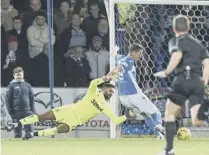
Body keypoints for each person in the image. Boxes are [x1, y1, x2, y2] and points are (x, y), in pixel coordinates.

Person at [153, 15, 209, 155]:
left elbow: (177, 55)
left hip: (181, 80)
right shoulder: (198, 43)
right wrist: (204, 82)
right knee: (197, 121)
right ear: (189, 27)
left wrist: (167, 72)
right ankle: (208, 102)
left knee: (169, 113)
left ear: (173, 28)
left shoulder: (174, 40)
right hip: (197, 81)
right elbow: (208, 63)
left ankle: (169, 149)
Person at [6, 76, 136, 140]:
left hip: (75, 121)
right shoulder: (94, 92)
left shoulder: (106, 106)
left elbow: (116, 120)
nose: (111, 92)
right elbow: (92, 83)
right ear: (103, 89)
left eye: (112, 92)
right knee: (42, 117)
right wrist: (104, 78)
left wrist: (127, 116)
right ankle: (16, 123)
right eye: (109, 90)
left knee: (58, 130)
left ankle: (32, 134)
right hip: (68, 110)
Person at [108, 43, 165, 140]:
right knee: (156, 113)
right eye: (139, 53)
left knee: (145, 115)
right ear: (133, 52)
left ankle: (159, 135)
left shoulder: (120, 58)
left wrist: (115, 50)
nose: (140, 56)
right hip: (134, 95)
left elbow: (113, 56)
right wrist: (108, 75)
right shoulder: (129, 61)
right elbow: (118, 69)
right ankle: (159, 126)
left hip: (123, 98)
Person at [5, 67, 35, 140]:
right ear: (14, 75)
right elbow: (7, 100)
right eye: (17, 75)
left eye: (20, 75)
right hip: (16, 113)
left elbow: (32, 99)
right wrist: (11, 112)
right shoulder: (11, 86)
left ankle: (29, 149)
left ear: (23, 75)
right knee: (18, 134)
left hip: (27, 112)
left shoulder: (27, 85)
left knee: (30, 134)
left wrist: (32, 111)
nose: (19, 76)